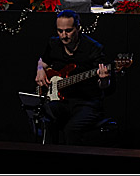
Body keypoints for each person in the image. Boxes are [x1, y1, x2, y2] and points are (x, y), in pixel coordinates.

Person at [35, 10, 111, 146]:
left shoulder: (93, 48)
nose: (63, 36)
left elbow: (105, 86)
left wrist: (104, 79)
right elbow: (43, 60)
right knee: (45, 119)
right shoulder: (54, 44)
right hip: (61, 101)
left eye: (68, 31)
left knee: (71, 130)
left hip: (87, 102)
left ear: (78, 28)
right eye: (60, 31)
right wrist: (40, 69)